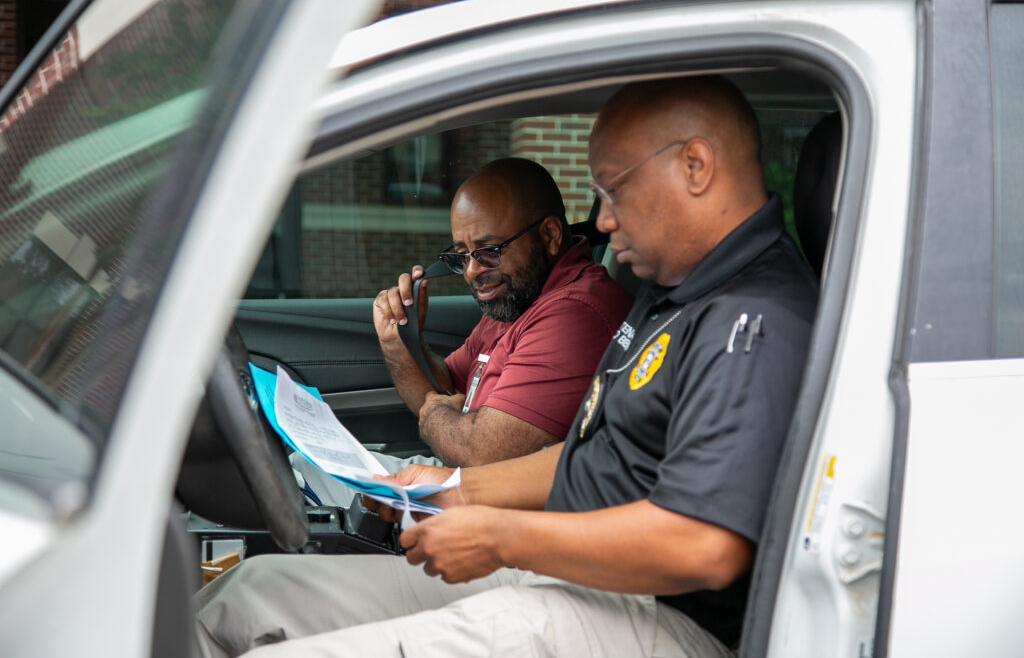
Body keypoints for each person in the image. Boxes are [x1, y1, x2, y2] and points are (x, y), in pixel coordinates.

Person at [195, 75, 819, 657]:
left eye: (613, 190)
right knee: (252, 593)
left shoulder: (754, 320)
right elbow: (587, 454)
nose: (600, 221)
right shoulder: (677, 292)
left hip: (661, 614)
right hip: (576, 569)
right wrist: (453, 492)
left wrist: (497, 536)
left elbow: (705, 546)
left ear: (696, 165)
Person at [292, 157, 633, 506]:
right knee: (302, 469)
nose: (472, 272)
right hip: (463, 487)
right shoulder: (517, 299)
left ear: (549, 235)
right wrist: (398, 341)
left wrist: (434, 415)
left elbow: (479, 454)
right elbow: (441, 389)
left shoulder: (574, 314)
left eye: (488, 252)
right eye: (461, 256)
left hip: (498, 516)